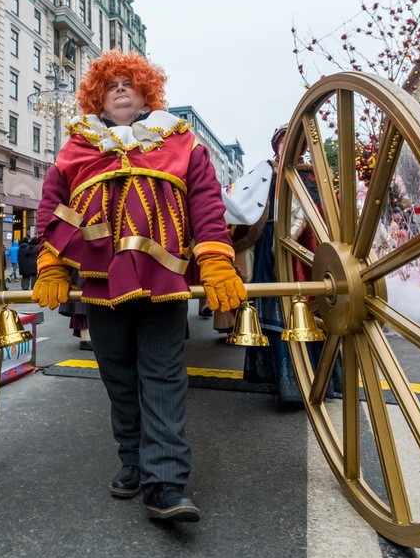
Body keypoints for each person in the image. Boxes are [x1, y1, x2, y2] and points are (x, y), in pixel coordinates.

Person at [31, 50, 246, 523]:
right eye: (112, 85)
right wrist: (51, 264)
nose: (122, 88)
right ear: (99, 99)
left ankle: (165, 482)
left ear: (148, 91)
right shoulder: (75, 147)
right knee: (119, 376)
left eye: (130, 82)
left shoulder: (182, 141)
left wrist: (215, 261)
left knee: (164, 375)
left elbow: (207, 205)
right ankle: (133, 461)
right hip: (100, 282)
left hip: (163, 280)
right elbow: (51, 207)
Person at [232, 124, 336, 402]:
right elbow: (241, 202)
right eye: (284, 140)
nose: (289, 145)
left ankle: (314, 379)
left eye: (295, 141)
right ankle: (286, 383)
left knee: (310, 310)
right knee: (277, 308)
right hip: (272, 244)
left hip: (309, 246)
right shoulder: (266, 171)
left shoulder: (313, 175)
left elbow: (329, 210)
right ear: (276, 144)